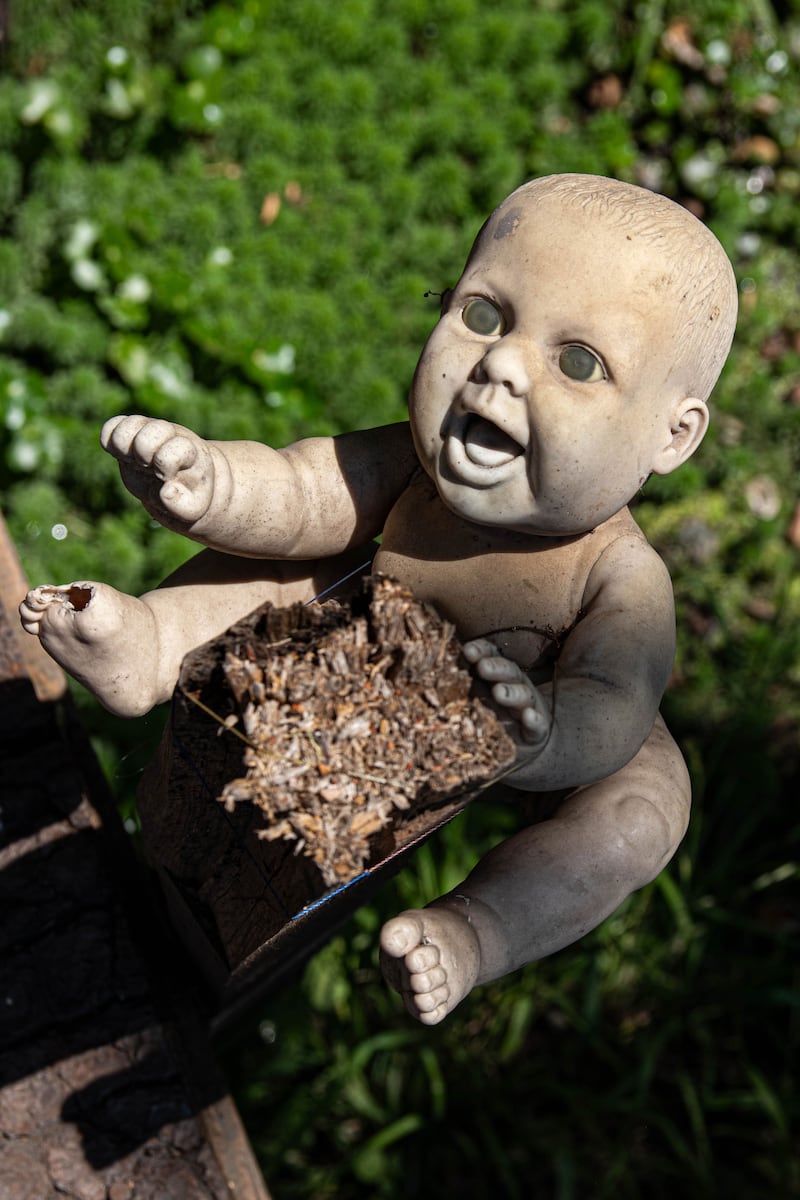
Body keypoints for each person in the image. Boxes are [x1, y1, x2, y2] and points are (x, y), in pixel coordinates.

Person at [21, 174, 737, 1024]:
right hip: (382, 638)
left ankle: (476, 932)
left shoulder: (620, 577)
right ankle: (149, 643)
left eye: (578, 362)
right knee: (303, 566)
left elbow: (615, 699)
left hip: (533, 716)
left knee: (644, 810)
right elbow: (302, 489)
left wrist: (540, 739)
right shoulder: (415, 468)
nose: (501, 363)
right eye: (483, 314)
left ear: (673, 434)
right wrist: (210, 484)